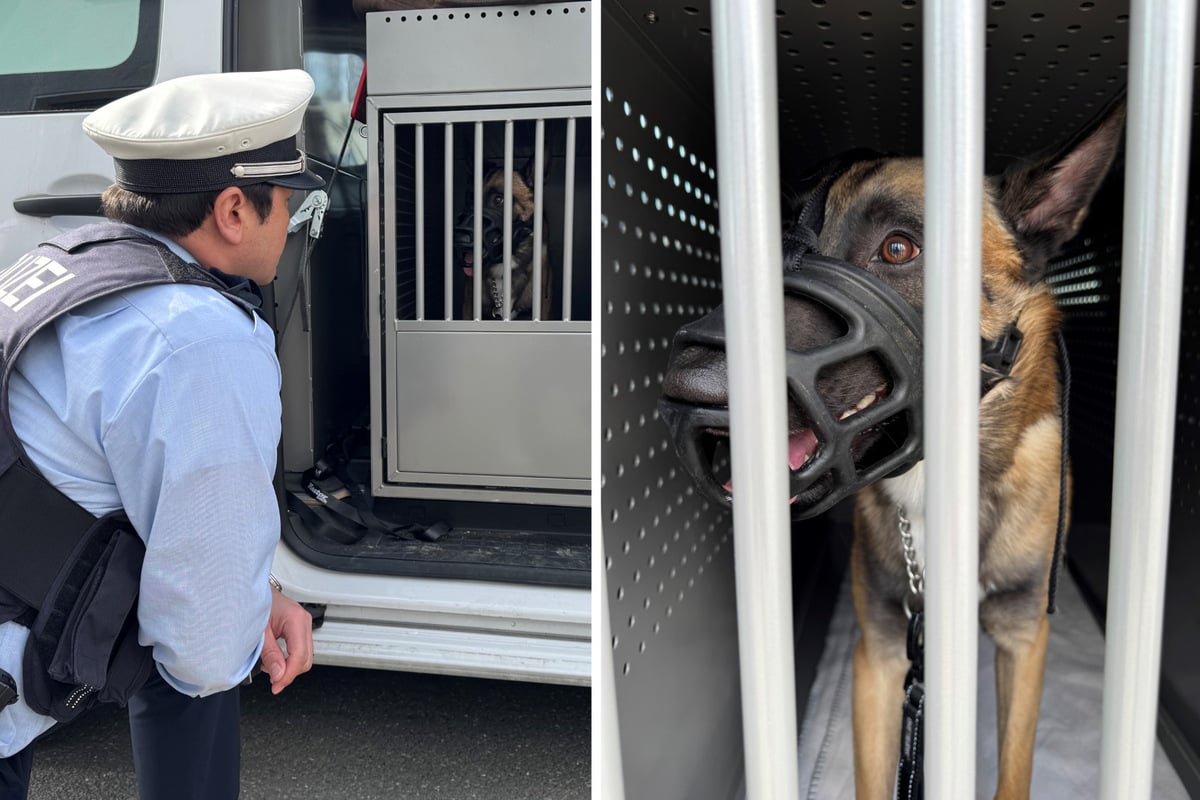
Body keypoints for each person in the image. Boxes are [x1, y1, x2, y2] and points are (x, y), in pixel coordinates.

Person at [0, 69, 322, 799]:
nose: (295, 223)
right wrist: (236, 607)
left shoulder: (65, 264)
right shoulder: (199, 339)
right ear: (234, 209)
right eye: (292, 205)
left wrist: (252, 587)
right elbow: (202, 647)